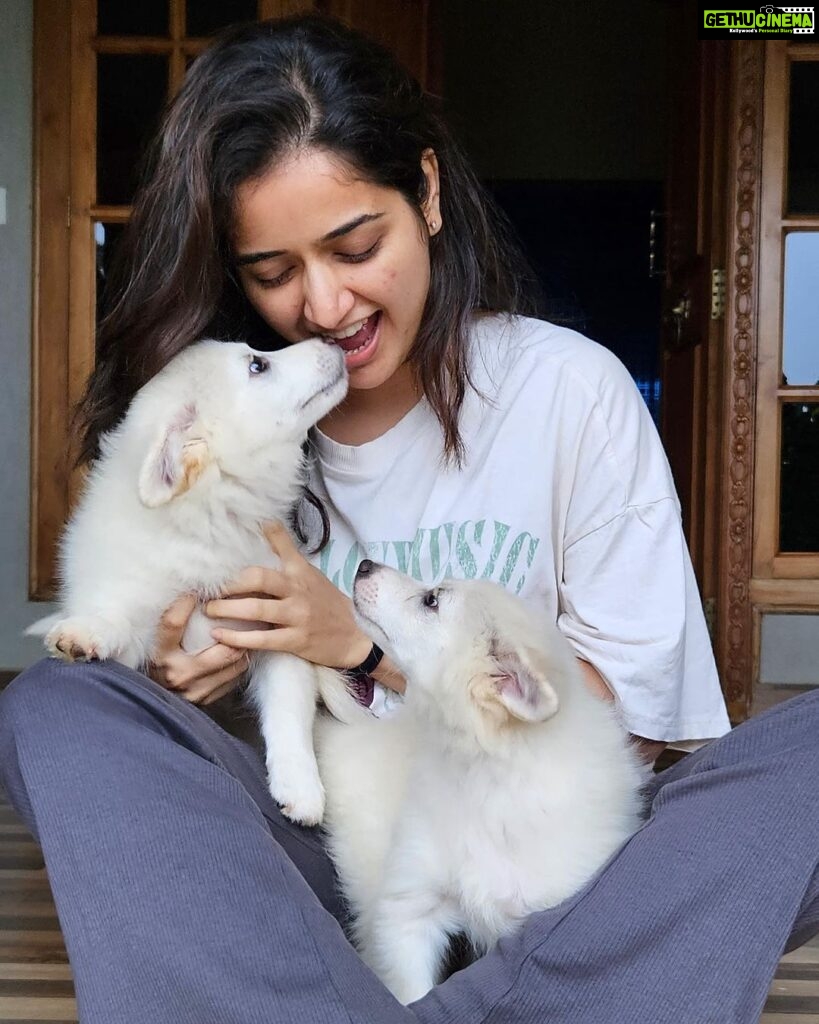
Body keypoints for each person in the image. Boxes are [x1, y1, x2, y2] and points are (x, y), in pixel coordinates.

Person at [1, 14, 817, 1024]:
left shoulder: (571, 393)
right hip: (342, 857)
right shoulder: (230, 426)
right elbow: (198, 767)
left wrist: (360, 649)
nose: (326, 303)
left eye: (355, 245)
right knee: (58, 709)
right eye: (273, 273)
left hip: (562, 863)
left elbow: (634, 731)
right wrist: (183, 672)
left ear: (426, 193)